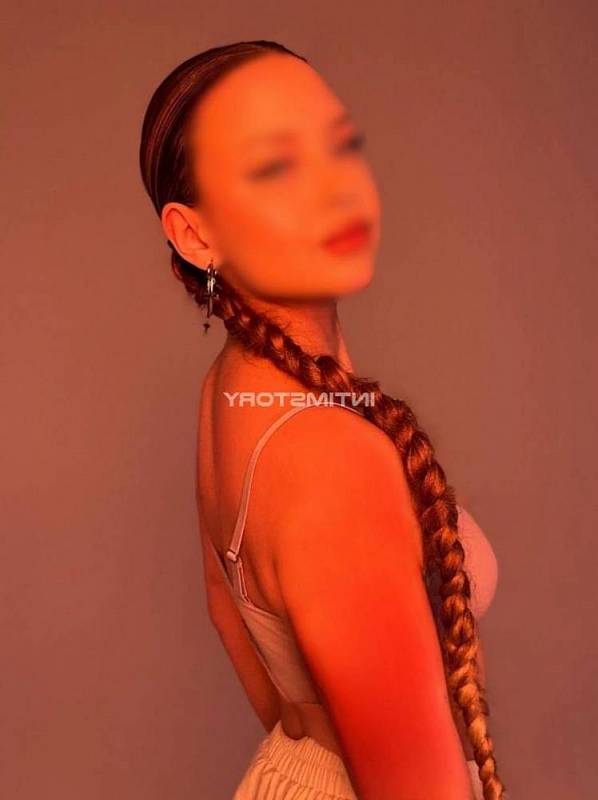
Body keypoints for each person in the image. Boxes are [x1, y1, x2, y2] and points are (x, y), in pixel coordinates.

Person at [138, 40, 506, 800]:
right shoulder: (331, 458)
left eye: (340, 147)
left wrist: (311, 746)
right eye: (276, 166)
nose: (335, 187)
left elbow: (229, 613)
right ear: (195, 235)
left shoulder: (234, 390)